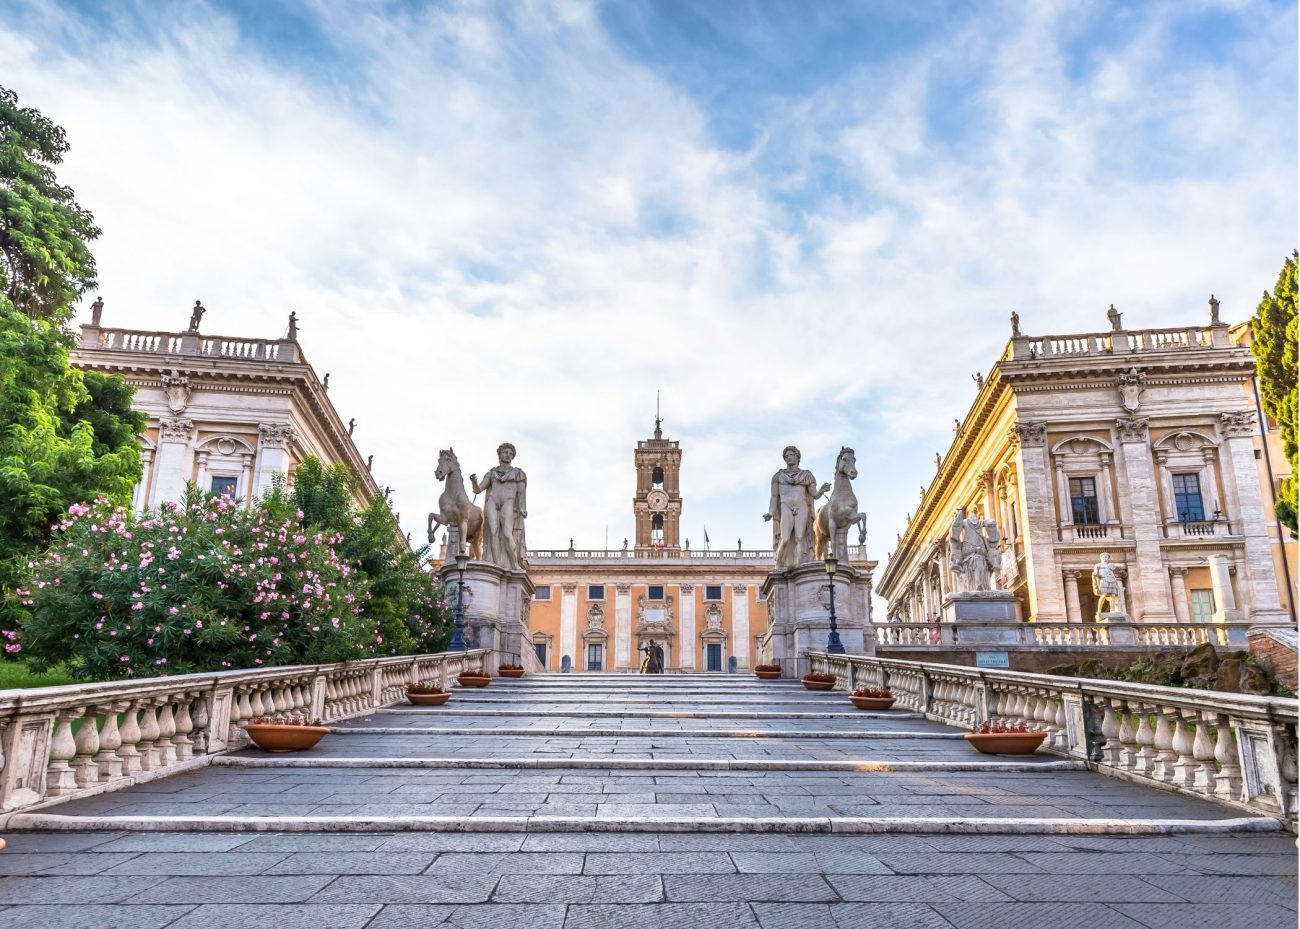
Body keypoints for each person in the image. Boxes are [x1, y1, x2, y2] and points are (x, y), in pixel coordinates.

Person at [763, 446, 830, 570]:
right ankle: (779, 563)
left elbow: (814, 495)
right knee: (785, 538)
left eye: (791, 455)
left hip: (802, 506)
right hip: (785, 507)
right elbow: (774, 498)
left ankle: (798, 568)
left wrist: (821, 490)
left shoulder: (806, 475)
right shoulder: (778, 477)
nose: (788, 458)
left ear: (797, 457)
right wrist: (771, 513)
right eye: (786, 456)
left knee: (800, 537)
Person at [471, 443, 528, 571]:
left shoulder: (518, 473)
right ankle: (496, 565)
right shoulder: (491, 473)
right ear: (499, 454)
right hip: (492, 500)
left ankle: (514, 564)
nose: (508, 455)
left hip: (508, 501)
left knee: (508, 533)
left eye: (510, 454)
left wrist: (522, 508)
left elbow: (522, 492)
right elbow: (478, 490)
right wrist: (474, 482)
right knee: (493, 532)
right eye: (505, 452)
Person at [1092, 552, 1126, 618]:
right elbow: (1095, 573)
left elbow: (1122, 566)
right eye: (1104, 557)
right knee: (1103, 595)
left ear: (1108, 558)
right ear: (1101, 558)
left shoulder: (1110, 565)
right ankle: (1099, 610)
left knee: (1112, 595)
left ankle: (1112, 610)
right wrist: (1100, 574)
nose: (1105, 558)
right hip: (1104, 580)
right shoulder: (1098, 565)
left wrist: (1115, 565)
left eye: (1106, 557)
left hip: (1112, 579)